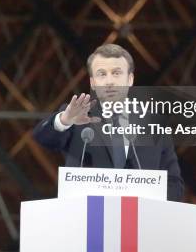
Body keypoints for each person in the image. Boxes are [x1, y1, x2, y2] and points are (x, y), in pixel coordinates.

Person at [32, 43, 184, 202]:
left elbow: (174, 184)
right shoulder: (76, 116)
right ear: (92, 82)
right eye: (101, 74)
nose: (109, 81)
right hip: (88, 219)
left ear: (130, 79)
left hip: (139, 221)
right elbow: (43, 139)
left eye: (116, 73)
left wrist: (150, 205)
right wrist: (64, 120)